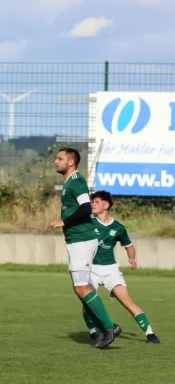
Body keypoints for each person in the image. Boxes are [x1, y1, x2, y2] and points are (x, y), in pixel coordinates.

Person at [49, 147, 119, 349]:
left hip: (82, 240)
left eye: (59, 158)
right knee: (81, 287)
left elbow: (86, 208)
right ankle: (97, 332)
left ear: (70, 162)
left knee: (82, 287)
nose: (56, 161)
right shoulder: (69, 183)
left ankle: (108, 327)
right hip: (77, 240)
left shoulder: (77, 181)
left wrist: (64, 222)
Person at [83, 190, 160, 344]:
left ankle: (150, 334)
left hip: (110, 270)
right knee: (87, 302)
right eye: (92, 202)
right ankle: (94, 332)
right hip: (91, 269)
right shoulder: (88, 222)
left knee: (127, 301)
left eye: (97, 202)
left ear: (106, 205)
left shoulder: (118, 227)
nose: (93, 204)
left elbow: (129, 246)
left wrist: (132, 259)